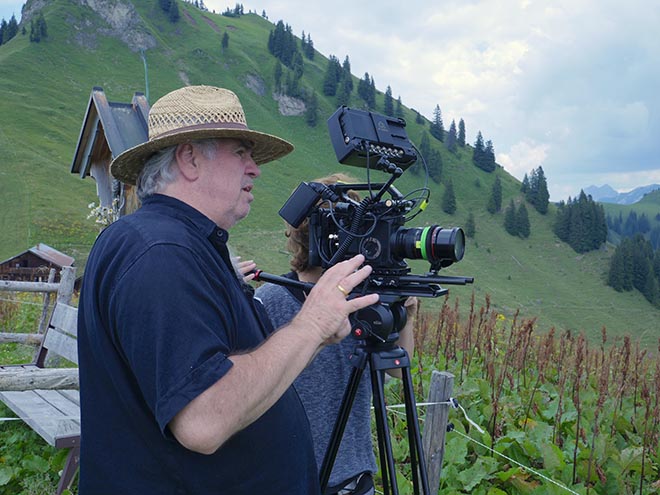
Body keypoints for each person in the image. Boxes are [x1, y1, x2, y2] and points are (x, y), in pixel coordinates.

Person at [77, 85, 379, 495]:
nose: (254, 168)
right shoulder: (161, 252)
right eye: (241, 152)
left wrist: (318, 335)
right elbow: (203, 420)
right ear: (189, 158)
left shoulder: (175, 244)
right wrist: (310, 326)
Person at [255, 173, 417, 495]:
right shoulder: (269, 301)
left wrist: (405, 316)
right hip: (290, 480)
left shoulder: (362, 301)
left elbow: (399, 367)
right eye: (354, 229)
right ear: (322, 235)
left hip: (354, 480)